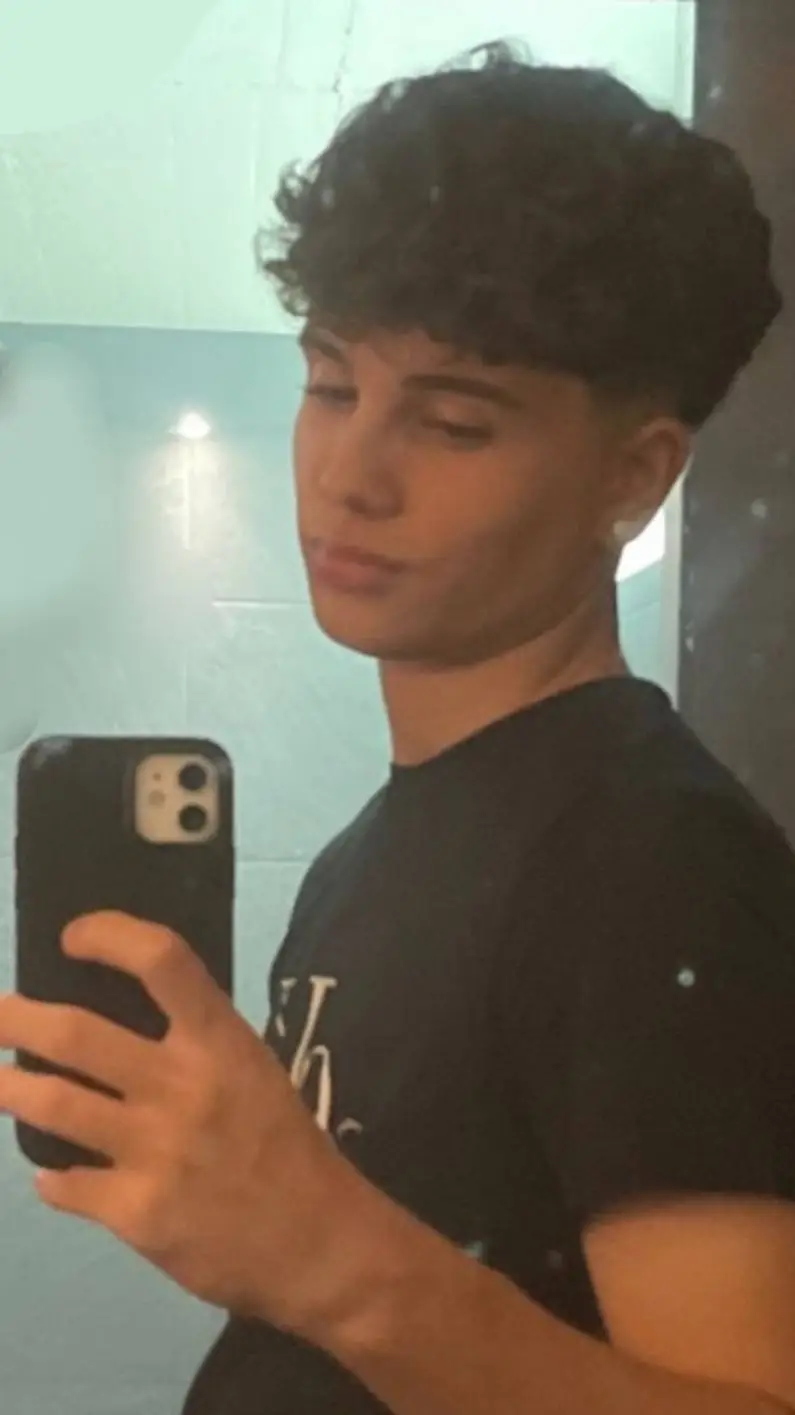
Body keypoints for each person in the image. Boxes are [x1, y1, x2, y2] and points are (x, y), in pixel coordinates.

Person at [1, 41, 794, 1415]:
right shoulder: (370, 853)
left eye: (454, 422)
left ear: (632, 475)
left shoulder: (654, 860)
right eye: (330, 385)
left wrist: (329, 1261)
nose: (350, 473)